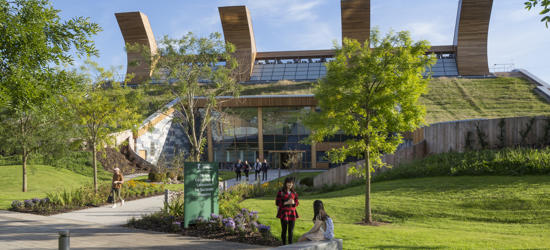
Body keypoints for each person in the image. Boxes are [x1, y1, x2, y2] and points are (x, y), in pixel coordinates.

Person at [276, 177, 299, 245]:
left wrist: (294, 203)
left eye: (291, 183)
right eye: (289, 183)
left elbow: (297, 202)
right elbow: (277, 202)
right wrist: (286, 202)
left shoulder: (294, 192)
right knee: (284, 230)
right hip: (284, 212)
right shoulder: (281, 192)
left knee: (291, 231)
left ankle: (290, 245)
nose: (290, 184)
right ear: (286, 183)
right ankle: (283, 245)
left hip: (292, 212)